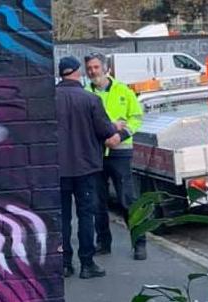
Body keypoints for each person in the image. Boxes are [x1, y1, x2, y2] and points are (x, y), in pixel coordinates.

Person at [56, 56, 125, 279]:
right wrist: (116, 126)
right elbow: (105, 131)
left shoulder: (49, 100)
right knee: (86, 215)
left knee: (62, 217)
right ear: (77, 72)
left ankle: (65, 263)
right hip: (86, 168)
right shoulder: (90, 99)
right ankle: (87, 264)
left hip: (58, 169)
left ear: (61, 74)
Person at [84, 53, 146, 260]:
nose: (92, 71)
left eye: (95, 67)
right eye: (89, 68)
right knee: (98, 201)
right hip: (96, 153)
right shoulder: (85, 93)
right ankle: (103, 243)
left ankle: (139, 243)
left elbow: (136, 118)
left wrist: (121, 135)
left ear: (105, 68)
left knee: (127, 199)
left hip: (120, 152)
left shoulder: (123, 91)